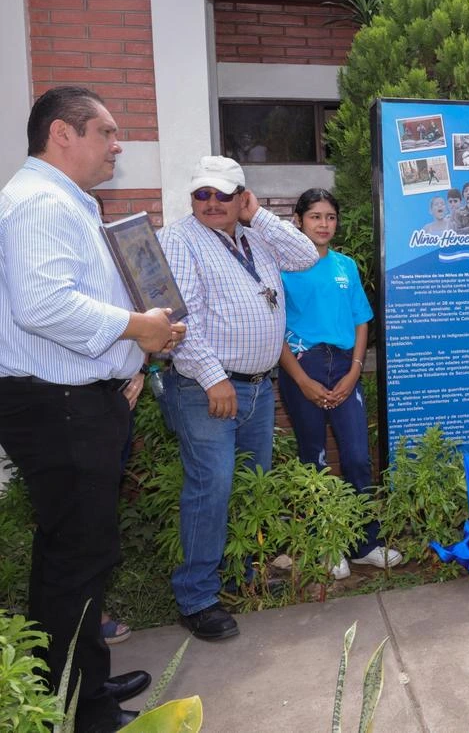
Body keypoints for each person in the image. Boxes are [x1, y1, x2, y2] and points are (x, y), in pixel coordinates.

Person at [0, 86, 186, 733]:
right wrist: (140, 328)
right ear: (61, 134)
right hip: (61, 408)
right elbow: (43, 307)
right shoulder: (40, 204)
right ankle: (82, 711)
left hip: (78, 402)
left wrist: (130, 364)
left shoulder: (63, 203)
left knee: (75, 554)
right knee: (79, 558)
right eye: (105, 132)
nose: (117, 145)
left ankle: (84, 685)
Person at [158, 155, 318, 642]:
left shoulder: (252, 235)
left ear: (240, 197)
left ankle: (238, 574)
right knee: (213, 487)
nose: (210, 203)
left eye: (223, 194)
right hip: (209, 388)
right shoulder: (180, 239)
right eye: (201, 193)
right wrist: (212, 378)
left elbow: (306, 255)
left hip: (256, 386)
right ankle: (197, 597)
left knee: (252, 484)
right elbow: (185, 318)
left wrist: (257, 215)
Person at [278, 188, 403, 580]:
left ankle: (365, 543)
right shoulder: (281, 268)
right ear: (298, 220)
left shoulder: (345, 266)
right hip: (303, 365)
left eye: (330, 217)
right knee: (313, 459)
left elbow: (361, 320)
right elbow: (273, 329)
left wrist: (353, 372)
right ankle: (325, 546)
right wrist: (302, 380)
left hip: (344, 366)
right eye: (315, 216)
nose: (323, 224)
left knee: (355, 457)